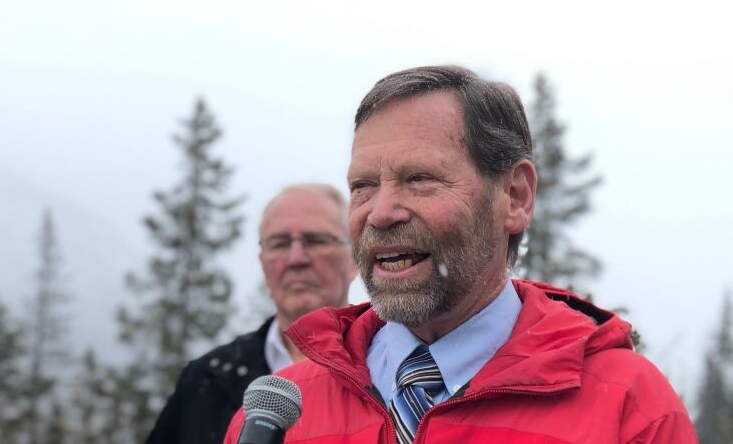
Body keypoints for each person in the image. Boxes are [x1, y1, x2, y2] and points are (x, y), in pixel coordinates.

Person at [225, 66, 697, 443]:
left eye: (420, 179)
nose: (381, 212)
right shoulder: (279, 417)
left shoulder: (628, 408)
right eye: (362, 186)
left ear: (514, 196)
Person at [147, 183, 358, 444]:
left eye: (315, 240)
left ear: (354, 260)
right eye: (279, 243)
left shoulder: (390, 372)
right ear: (262, 262)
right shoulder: (205, 380)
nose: (296, 258)